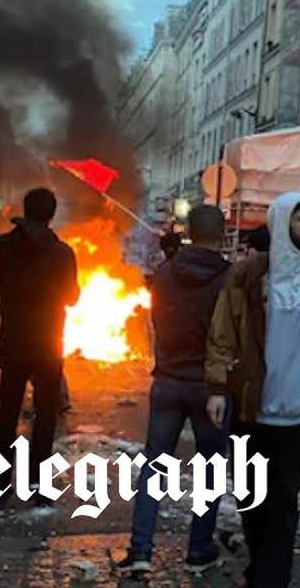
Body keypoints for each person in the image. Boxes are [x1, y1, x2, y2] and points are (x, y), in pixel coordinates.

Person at [205, 192, 300, 588]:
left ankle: (270, 580)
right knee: (253, 503)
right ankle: (261, 569)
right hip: (253, 413)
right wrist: (218, 387)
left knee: (283, 506)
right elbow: (223, 334)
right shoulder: (247, 276)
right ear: (283, 224)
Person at [119, 205, 231, 576]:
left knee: (154, 465)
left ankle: (140, 550)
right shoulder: (229, 279)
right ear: (222, 233)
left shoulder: (165, 274)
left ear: (188, 233)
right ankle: (199, 548)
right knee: (210, 469)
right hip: (211, 387)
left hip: (167, 380)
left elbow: (157, 320)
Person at [0, 188, 79, 493]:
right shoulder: (62, 253)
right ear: (51, 215)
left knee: (8, 413)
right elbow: (71, 297)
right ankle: (38, 481)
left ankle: (0, 481)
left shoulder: (2, 246)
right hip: (48, 344)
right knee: (45, 414)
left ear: (24, 211)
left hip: (13, 341)